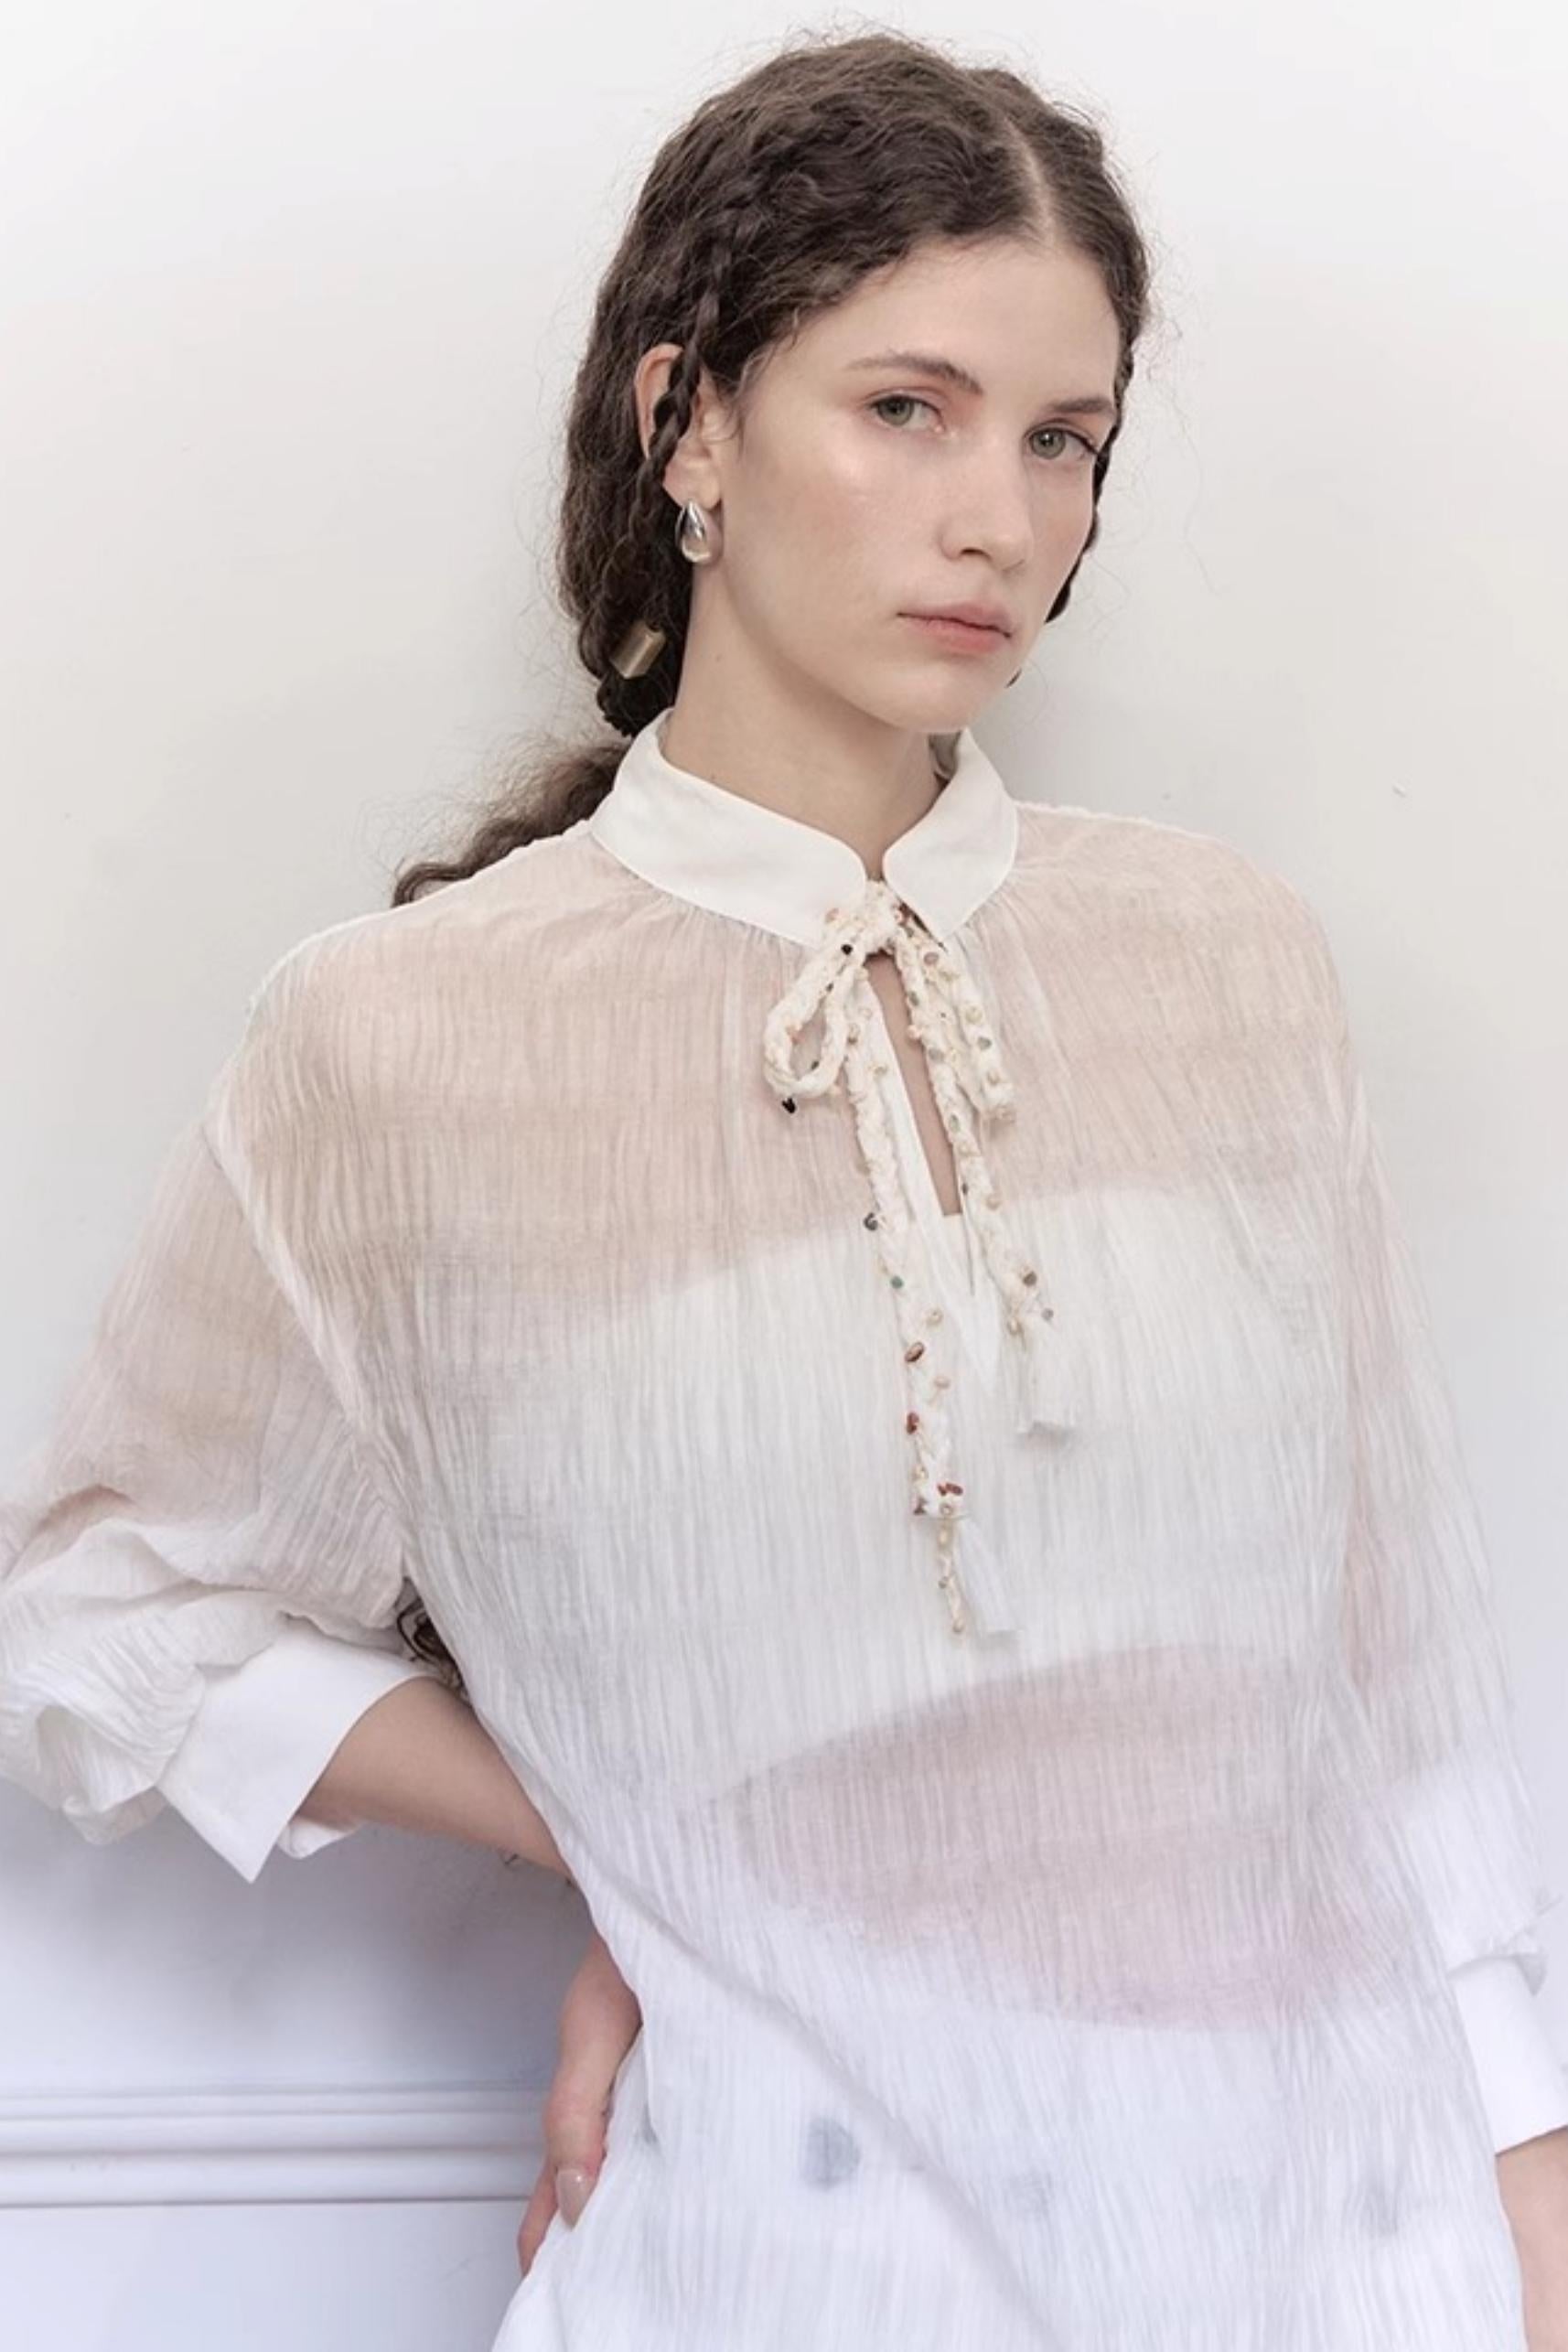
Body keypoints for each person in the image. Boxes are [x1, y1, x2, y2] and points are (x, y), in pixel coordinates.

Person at [2, 27, 1565, 2351]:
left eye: (1060, 440)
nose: (996, 517)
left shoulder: (1223, 957)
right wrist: (627, 1834)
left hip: (1339, 2261)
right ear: (691, 424)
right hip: (775, 2268)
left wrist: (1527, 2195)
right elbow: (103, 1615)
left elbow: (1386, 1667)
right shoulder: (400, 1036)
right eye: (906, 406)